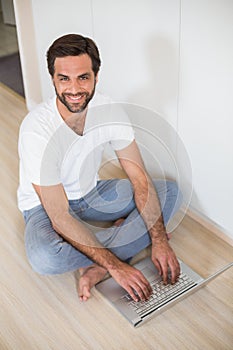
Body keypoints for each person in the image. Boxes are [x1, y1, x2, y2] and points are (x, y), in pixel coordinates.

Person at [18, 34, 182, 303]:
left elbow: (139, 178)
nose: (74, 89)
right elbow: (59, 216)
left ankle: (99, 254)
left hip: (90, 193)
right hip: (44, 207)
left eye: (83, 77)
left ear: (96, 76)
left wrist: (160, 241)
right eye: (64, 78)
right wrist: (117, 265)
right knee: (45, 258)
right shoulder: (37, 130)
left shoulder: (110, 110)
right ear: (52, 79)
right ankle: (122, 241)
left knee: (170, 192)